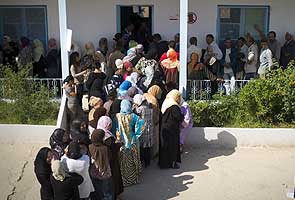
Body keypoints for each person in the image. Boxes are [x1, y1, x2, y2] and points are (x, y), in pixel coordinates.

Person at [115, 99, 145, 186]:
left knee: (123, 160)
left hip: (121, 141)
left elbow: (116, 128)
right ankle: (133, 178)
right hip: (132, 140)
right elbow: (142, 123)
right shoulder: (133, 116)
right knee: (132, 158)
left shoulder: (118, 116)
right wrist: (136, 135)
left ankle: (124, 178)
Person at [96, 116, 124, 198]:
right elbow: (114, 147)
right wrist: (118, 139)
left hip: (102, 162)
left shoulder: (97, 133)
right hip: (112, 161)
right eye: (109, 124)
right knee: (113, 179)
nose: (110, 126)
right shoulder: (108, 137)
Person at [159, 90, 184, 169]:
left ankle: (163, 163)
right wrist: (182, 115)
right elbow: (178, 117)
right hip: (172, 129)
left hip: (164, 127)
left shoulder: (166, 102)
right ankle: (172, 163)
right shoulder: (174, 106)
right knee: (172, 146)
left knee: (164, 146)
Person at [89, 129, 114, 200]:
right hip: (105, 173)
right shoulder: (105, 148)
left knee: (97, 190)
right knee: (107, 192)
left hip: (94, 172)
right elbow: (110, 158)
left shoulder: (90, 147)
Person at [133, 94, 154, 167]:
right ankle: (148, 162)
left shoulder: (140, 109)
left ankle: (142, 162)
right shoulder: (150, 107)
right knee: (147, 147)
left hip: (142, 130)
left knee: (142, 147)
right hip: (149, 129)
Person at [143, 85, 162, 157]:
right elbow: (155, 113)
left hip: (142, 121)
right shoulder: (154, 99)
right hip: (152, 122)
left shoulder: (144, 95)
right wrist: (156, 121)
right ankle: (152, 154)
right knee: (152, 138)